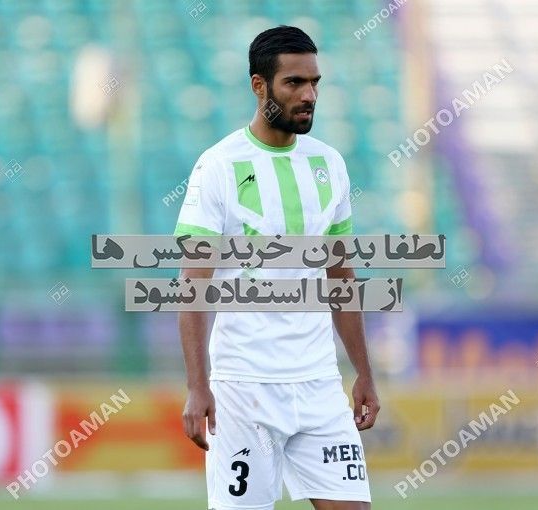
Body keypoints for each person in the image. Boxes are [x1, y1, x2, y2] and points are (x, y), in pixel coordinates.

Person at [175, 25, 379, 510]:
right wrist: (197, 386)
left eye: (314, 82)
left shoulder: (329, 164)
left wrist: (364, 372)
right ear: (259, 85)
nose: (309, 95)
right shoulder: (219, 166)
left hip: (319, 384)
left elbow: (340, 279)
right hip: (243, 391)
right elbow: (192, 286)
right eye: (294, 83)